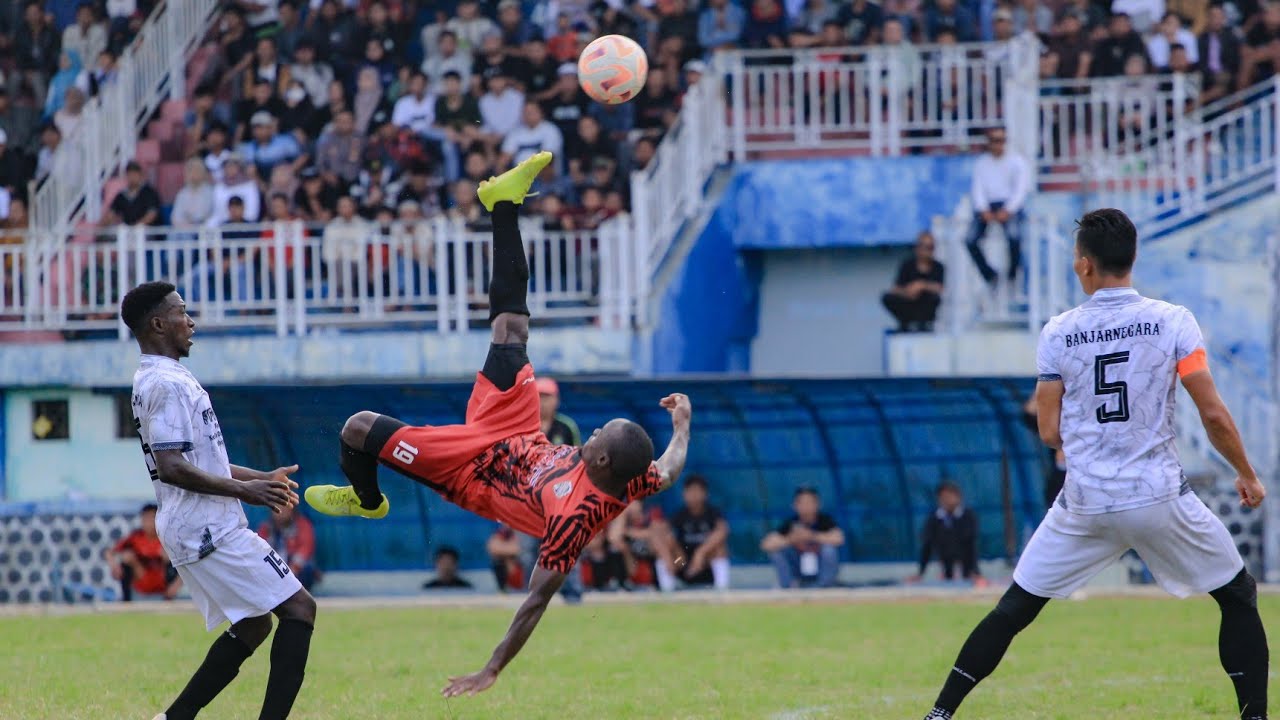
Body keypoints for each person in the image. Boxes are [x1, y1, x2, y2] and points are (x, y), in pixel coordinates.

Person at [303, 151, 692, 696]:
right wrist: (683, 425)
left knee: (357, 428)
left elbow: (536, 600)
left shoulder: (574, 519)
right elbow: (669, 471)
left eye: (599, 433)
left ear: (601, 458)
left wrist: (491, 669)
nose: (592, 432)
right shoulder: (633, 477)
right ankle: (503, 203)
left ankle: (366, 499)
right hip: (516, 432)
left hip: (470, 471)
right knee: (511, 327)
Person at [920, 208, 1269, 720]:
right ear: (1132, 257)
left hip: (1085, 501)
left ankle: (940, 713)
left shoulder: (1059, 331)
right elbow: (1212, 414)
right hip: (1157, 495)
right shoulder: (1174, 321)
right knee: (1237, 595)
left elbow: (1046, 430)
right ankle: (1255, 716)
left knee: (1014, 608)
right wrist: (1246, 471)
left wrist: (1093, 443)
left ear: (1084, 265)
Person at [120, 281, 316, 720]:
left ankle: (174, 718)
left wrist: (259, 478)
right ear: (157, 323)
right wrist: (247, 491)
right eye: (181, 312)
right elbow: (171, 466)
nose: (190, 321)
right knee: (300, 608)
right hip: (205, 526)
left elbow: (201, 461)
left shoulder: (165, 377)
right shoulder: (165, 384)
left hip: (198, 523)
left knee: (253, 624)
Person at [965, 127, 1032, 288]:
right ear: (988, 143)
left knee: (1014, 237)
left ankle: (1012, 275)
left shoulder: (1017, 162)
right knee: (970, 240)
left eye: (1001, 140)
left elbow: (1021, 190)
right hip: (987, 207)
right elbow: (977, 189)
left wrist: (1008, 210)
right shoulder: (981, 163)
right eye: (994, 140)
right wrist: (983, 209)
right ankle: (989, 274)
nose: (998, 144)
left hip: (1009, 206)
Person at [760, 486, 844, 588]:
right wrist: (791, 539)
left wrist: (812, 536)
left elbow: (839, 538)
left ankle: (824, 586)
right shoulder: (790, 523)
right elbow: (766, 545)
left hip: (819, 566)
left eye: (809, 502)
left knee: (829, 550)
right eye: (802, 503)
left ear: (817, 504)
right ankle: (788, 586)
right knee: (777, 552)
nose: (806, 506)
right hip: (798, 566)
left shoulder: (825, 521)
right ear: (795, 505)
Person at [104, 503, 182, 601]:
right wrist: (114, 567)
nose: (149, 523)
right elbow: (109, 552)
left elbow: (186, 563)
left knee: (174, 559)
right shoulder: (136, 537)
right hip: (140, 586)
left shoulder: (166, 539)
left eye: (152, 519)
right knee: (127, 557)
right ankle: (126, 600)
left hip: (163, 589)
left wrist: (176, 586)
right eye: (146, 519)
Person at [911, 482, 982, 583]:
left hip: (967, 566)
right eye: (943, 497)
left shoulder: (968, 516)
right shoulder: (934, 519)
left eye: (949, 496)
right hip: (944, 566)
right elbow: (927, 546)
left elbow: (970, 544)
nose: (946, 500)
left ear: (958, 497)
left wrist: (975, 571)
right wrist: (921, 572)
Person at [668, 475, 730, 589]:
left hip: (705, 563)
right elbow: (668, 536)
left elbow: (723, 531)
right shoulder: (679, 515)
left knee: (720, 549)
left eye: (697, 491)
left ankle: (722, 590)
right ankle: (667, 589)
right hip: (684, 563)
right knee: (670, 550)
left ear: (705, 494)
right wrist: (677, 551)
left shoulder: (713, 513)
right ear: (684, 494)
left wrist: (700, 553)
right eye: (690, 492)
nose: (694, 496)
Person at [882, 230, 945, 332]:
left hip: (926, 306)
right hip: (908, 303)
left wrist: (922, 285)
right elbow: (895, 288)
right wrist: (908, 292)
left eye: (931, 247)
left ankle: (924, 324)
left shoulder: (938, 266)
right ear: (918, 248)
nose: (929, 251)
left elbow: (940, 288)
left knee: (933, 298)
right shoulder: (907, 265)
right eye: (926, 247)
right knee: (888, 298)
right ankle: (905, 323)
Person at [257, 505, 319, 590]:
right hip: (273, 567)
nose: (281, 511)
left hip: (295, 569)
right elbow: (260, 552)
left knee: (307, 568)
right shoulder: (266, 528)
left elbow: (305, 550)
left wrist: (291, 570)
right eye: (277, 508)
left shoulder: (302, 524)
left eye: (284, 508)